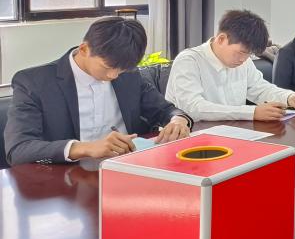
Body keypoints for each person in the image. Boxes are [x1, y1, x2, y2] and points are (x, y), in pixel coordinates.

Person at [5, 17, 192, 166]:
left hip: (127, 169)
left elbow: (166, 110)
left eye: (121, 70)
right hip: (68, 179)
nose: (113, 75)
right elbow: (18, 149)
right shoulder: (34, 83)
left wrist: (178, 120)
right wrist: (85, 148)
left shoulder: (129, 75)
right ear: (84, 49)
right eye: (107, 67)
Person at [166, 10, 295, 122]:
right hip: (193, 136)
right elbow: (194, 109)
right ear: (221, 39)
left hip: (232, 132)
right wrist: (251, 112)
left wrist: (288, 97)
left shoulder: (244, 61)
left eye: (249, 54)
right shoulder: (189, 61)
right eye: (241, 52)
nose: (244, 59)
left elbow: (260, 88)